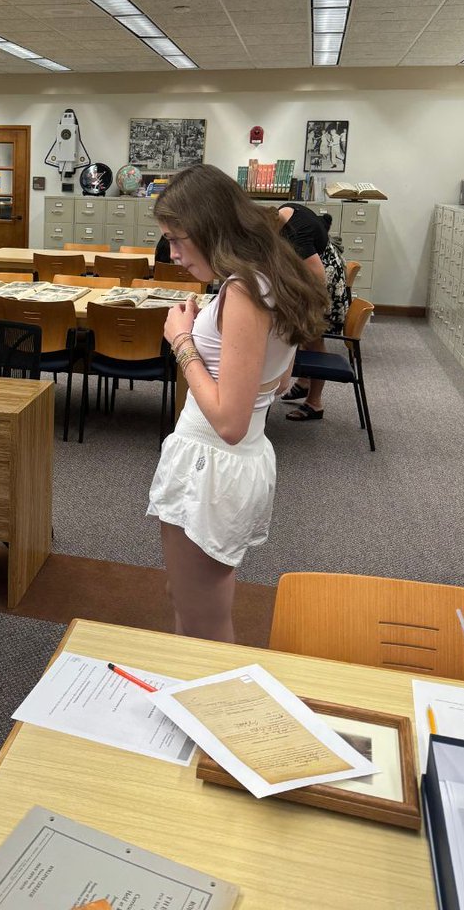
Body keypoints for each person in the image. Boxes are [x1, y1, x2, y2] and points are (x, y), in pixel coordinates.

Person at [146, 165, 328, 642]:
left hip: (214, 461)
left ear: (211, 228)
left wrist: (182, 341)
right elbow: (280, 378)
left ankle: (210, 709)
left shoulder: (244, 291)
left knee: (203, 623)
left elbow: (228, 420)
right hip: (232, 461)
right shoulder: (273, 276)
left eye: (178, 239)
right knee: (191, 601)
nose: (173, 253)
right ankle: (191, 705)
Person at [277, 203, 348, 421]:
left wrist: (308, 310)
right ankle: (304, 383)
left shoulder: (295, 235)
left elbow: (318, 276)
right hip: (317, 272)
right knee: (304, 337)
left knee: (313, 338)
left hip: (323, 286)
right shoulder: (285, 211)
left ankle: (315, 403)